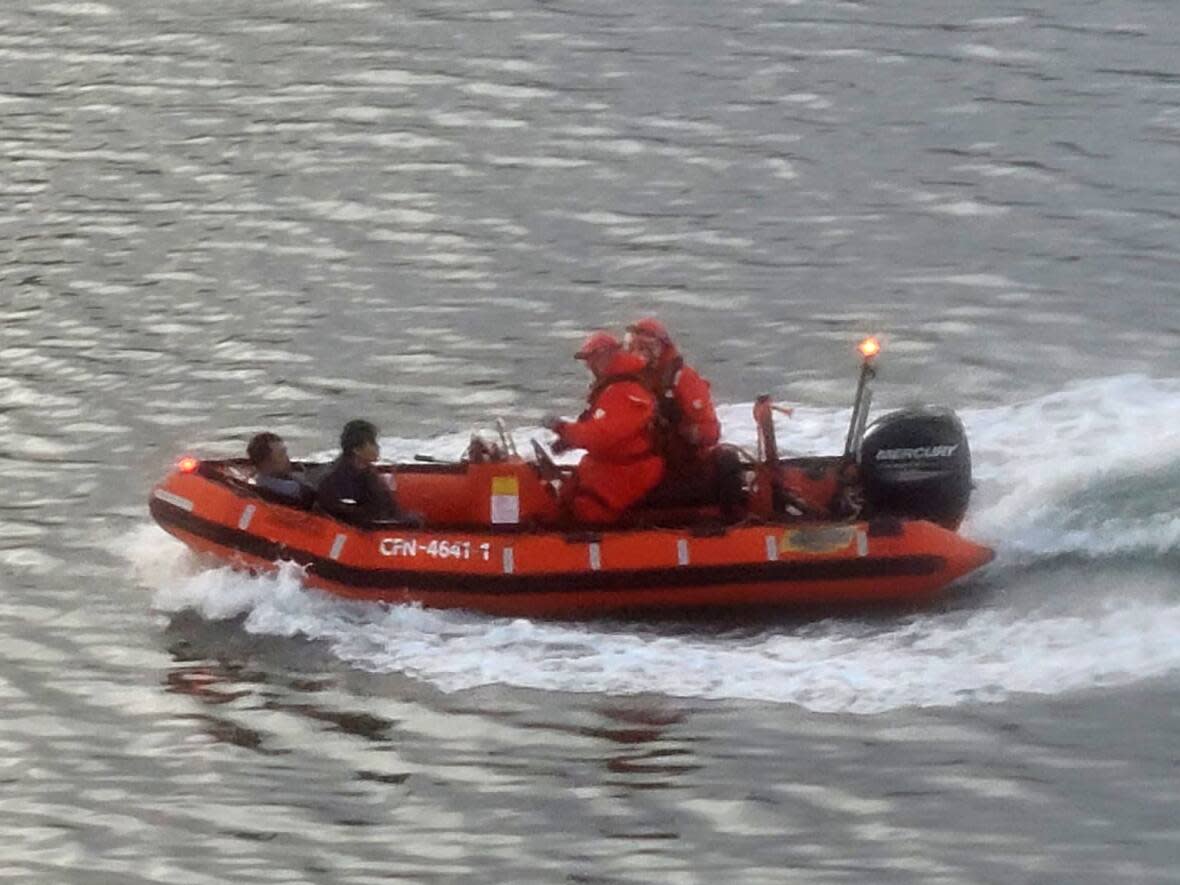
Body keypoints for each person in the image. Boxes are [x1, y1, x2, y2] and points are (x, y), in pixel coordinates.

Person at [625, 317, 745, 516]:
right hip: (642, 462)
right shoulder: (627, 382)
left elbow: (710, 431)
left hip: (680, 465)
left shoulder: (682, 379)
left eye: (645, 347)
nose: (638, 354)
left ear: (660, 348)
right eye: (633, 347)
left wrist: (682, 428)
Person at [544, 332, 665, 525]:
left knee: (586, 509)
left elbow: (603, 434)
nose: (590, 366)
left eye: (593, 359)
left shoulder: (627, 392)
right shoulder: (612, 389)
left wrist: (563, 428)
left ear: (608, 355)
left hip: (630, 471)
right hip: (608, 466)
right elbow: (595, 428)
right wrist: (566, 441)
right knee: (563, 493)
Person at [316, 419, 405, 525]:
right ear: (357, 449)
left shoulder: (367, 472)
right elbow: (344, 514)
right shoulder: (334, 480)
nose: (377, 447)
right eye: (372, 443)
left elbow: (387, 505)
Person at [246, 432, 315, 506]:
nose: (287, 458)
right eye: (281, 455)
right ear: (266, 462)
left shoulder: (256, 478)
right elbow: (309, 492)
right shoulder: (279, 487)